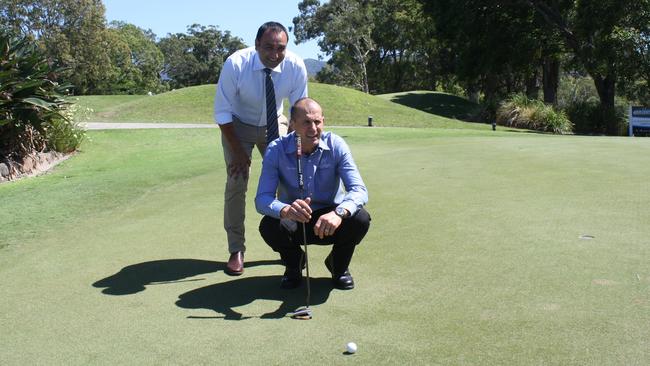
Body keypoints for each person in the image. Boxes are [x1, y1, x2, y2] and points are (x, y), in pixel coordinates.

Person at [214, 21, 309, 276]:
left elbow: (298, 110)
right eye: (268, 47)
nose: (275, 54)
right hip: (237, 125)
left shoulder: (295, 66)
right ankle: (236, 249)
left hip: (275, 123)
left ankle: (287, 245)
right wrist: (239, 152)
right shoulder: (236, 64)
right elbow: (222, 113)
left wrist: (292, 146)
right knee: (237, 181)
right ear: (257, 45)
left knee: (287, 180)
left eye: (281, 48)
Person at [255, 98, 371, 290]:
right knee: (269, 226)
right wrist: (285, 210)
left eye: (317, 122)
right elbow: (262, 199)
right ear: (292, 125)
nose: (313, 128)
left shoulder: (336, 145)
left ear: (323, 121)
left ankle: (338, 266)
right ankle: (295, 264)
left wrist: (339, 213)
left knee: (360, 219)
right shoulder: (276, 149)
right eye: (306, 122)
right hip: (295, 217)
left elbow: (359, 190)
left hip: (330, 219)